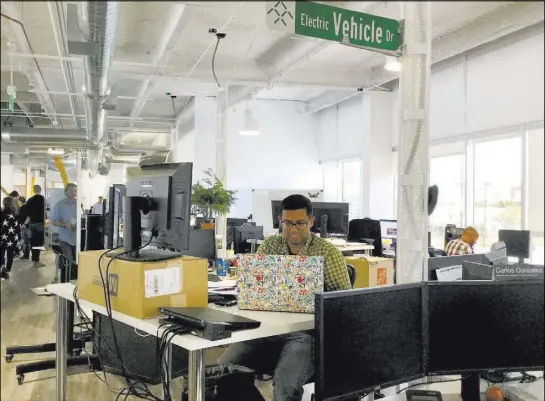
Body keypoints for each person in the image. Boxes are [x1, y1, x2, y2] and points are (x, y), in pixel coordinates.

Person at [218, 194, 352, 401]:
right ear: (280, 221)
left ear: (311, 222)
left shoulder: (327, 252)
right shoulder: (270, 246)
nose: (293, 229)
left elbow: (344, 302)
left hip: (304, 334)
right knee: (223, 370)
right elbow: (252, 286)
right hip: (265, 329)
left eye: (300, 223)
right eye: (287, 223)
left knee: (285, 386)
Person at [52, 183, 78, 281]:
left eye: (75, 191)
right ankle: (68, 284)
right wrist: (65, 224)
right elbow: (54, 221)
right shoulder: (59, 205)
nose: (73, 193)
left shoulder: (79, 204)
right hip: (65, 239)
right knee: (69, 262)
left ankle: (75, 282)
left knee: (77, 263)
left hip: (77, 239)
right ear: (65, 192)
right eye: (71, 191)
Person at [24, 185, 46, 268]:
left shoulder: (30, 200)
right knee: (39, 243)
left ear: (33, 190)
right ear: (40, 190)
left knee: (33, 243)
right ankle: (36, 262)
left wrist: (26, 224)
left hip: (32, 224)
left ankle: (34, 261)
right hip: (40, 225)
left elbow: (27, 215)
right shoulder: (42, 199)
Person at [1, 197, 21, 279]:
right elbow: (18, 227)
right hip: (13, 237)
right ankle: (8, 271)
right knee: (10, 254)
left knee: (1, 252)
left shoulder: (1, 213)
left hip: (2, 236)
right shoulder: (16, 214)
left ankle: (2, 267)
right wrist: (19, 238)